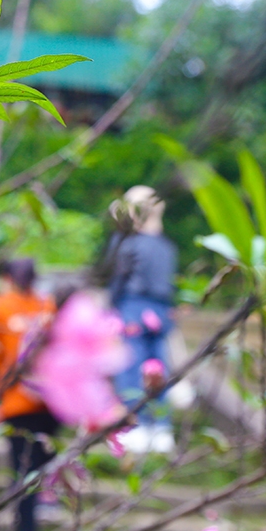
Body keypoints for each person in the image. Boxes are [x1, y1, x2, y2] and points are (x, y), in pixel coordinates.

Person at [0, 258, 57, 531]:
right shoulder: (47, 307)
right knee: (38, 463)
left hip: (18, 403)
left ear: (6, 277)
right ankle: (39, 511)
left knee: (23, 468)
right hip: (50, 402)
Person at [107, 185, 178, 454]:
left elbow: (116, 279)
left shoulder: (126, 242)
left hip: (133, 308)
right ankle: (158, 426)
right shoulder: (167, 247)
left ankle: (137, 425)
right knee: (157, 368)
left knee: (133, 368)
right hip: (158, 311)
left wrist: (113, 308)